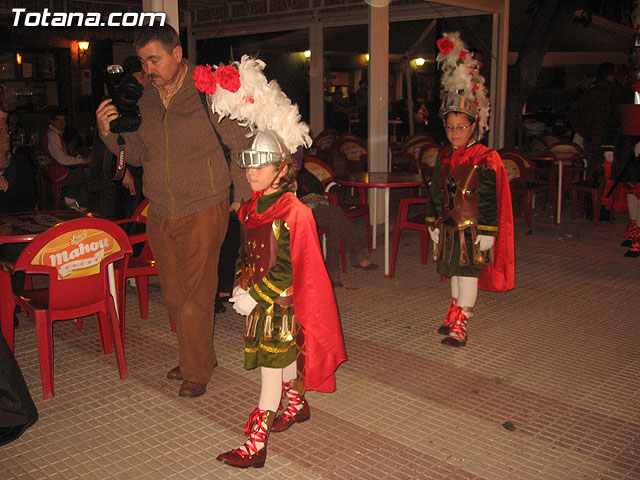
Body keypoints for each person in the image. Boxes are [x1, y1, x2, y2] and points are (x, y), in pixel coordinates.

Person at [95, 25, 252, 398]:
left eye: (155, 59)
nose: (149, 69)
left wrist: (240, 194)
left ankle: (196, 369)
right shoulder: (144, 100)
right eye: (143, 61)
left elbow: (240, 141)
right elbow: (135, 155)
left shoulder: (207, 92)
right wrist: (108, 132)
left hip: (203, 204)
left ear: (177, 54)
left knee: (198, 294)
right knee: (175, 294)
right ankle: (196, 354)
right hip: (160, 208)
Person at [217, 130, 346, 469]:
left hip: (280, 308)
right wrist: (241, 284)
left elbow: (287, 270)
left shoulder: (295, 211)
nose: (251, 172)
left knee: (269, 373)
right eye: (249, 164)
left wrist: (254, 296)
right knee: (284, 359)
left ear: (282, 169)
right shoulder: (252, 207)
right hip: (261, 301)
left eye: (261, 165)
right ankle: (297, 403)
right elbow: (252, 257)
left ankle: (255, 445)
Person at [427, 32, 514, 348]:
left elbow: (490, 197)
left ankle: (462, 323)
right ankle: (453, 313)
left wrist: (489, 230)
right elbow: (436, 191)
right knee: (452, 273)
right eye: (450, 127)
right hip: (449, 227)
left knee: (468, 275)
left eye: (460, 127)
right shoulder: (444, 154)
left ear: (473, 126)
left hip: (472, 228)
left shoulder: (485, 157)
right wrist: (432, 221)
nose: (454, 133)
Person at [296, 163, 377, 286]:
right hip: (297, 211)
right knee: (336, 213)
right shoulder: (279, 174)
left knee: (333, 222)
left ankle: (333, 273)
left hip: (314, 207)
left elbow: (317, 186)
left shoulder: (299, 170)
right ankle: (357, 255)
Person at [43, 111, 90, 211]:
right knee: (86, 172)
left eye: (63, 121)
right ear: (52, 122)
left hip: (59, 169)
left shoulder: (57, 134)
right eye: (58, 121)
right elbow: (62, 159)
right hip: (58, 172)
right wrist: (82, 160)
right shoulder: (53, 135)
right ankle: (73, 199)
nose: (62, 123)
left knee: (84, 170)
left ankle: (78, 203)